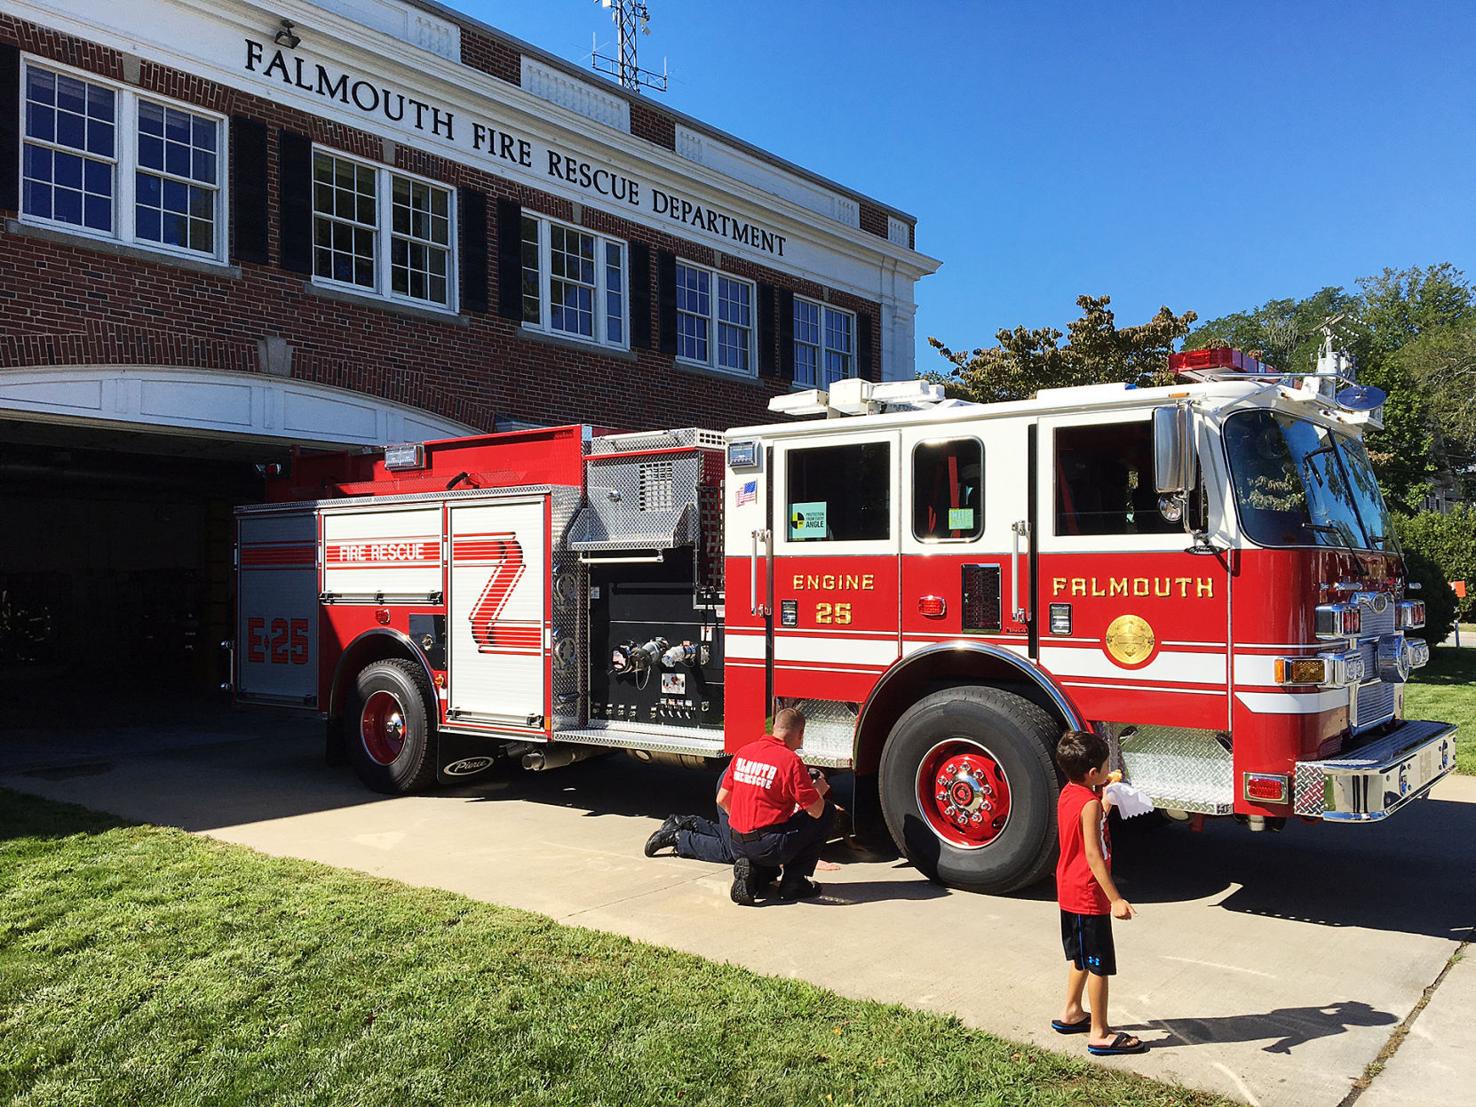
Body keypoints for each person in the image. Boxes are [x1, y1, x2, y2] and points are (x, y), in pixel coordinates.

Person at [1051, 729, 1145, 1056]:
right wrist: (1115, 898)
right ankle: (1100, 1032)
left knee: (1080, 958)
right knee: (1099, 966)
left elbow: (1084, 827)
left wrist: (1105, 800)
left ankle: (1071, 1011)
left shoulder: (1071, 795)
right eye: (1106, 767)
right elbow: (1093, 854)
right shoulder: (1087, 804)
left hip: (1069, 890)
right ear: (1092, 773)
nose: (1109, 771)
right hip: (1088, 896)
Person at [718, 707, 833, 905]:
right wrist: (819, 790)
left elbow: (722, 799)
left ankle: (754, 875)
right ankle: (794, 882)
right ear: (800, 733)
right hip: (769, 844)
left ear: (775, 728)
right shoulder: (791, 761)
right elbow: (816, 811)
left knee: (767, 867)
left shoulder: (744, 752)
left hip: (736, 842)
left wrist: (742, 824)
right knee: (828, 812)